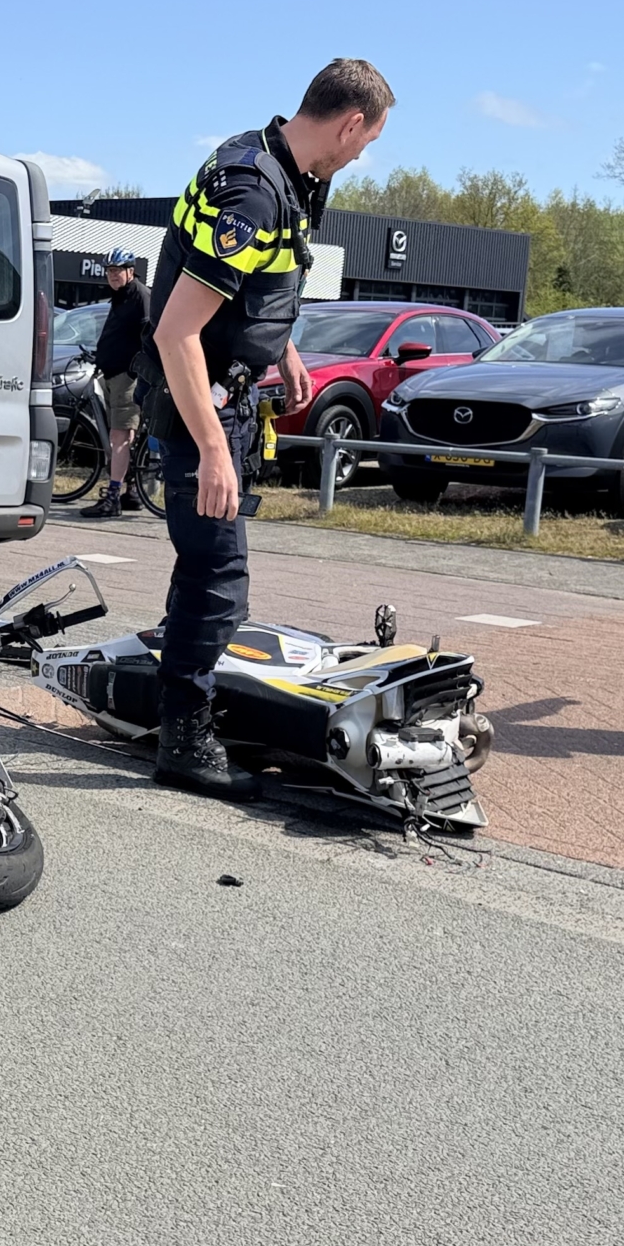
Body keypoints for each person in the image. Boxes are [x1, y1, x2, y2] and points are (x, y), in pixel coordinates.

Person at [141, 59, 390, 799]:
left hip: (235, 395)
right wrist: (213, 447)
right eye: (367, 140)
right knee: (218, 580)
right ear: (350, 123)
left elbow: (253, 279)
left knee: (208, 571)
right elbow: (176, 332)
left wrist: (280, 345)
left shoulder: (291, 173)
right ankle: (183, 737)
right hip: (199, 408)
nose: (362, 154)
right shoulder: (253, 188)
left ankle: (179, 704)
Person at [79, 249, 149, 518]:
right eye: (109, 271)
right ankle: (131, 492)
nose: (112, 276)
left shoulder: (139, 296)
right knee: (123, 438)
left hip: (126, 377)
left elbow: (148, 334)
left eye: (117, 270)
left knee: (119, 438)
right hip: (113, 374)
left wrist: (136, 370)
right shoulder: (121, 297)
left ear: (131, 271)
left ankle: (112, 498)